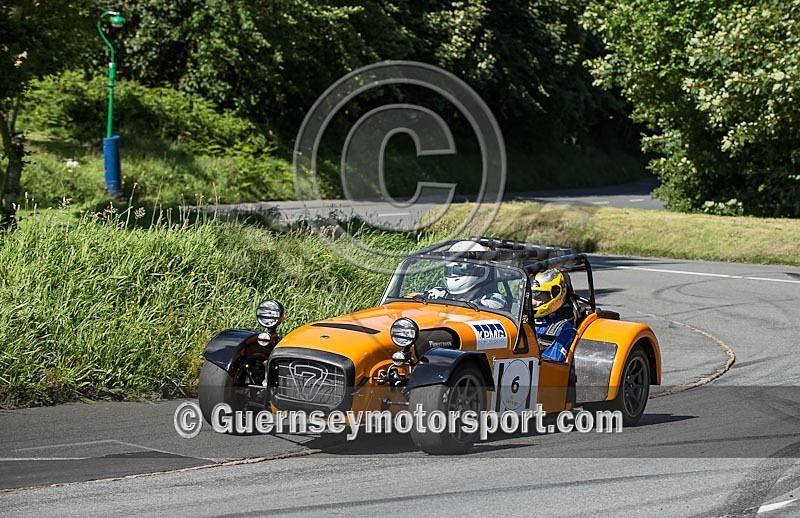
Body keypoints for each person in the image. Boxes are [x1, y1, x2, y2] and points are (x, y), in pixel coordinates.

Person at [424, 241, 507, 310]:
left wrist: (467, 305)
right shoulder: (440, 293)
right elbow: (418, 300)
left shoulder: (494, 299)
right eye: (449, 270)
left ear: (480, 271)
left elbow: (487, 307)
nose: (452, 275)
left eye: (458, 270)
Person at [531, 268, 576, 362]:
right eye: (531, 295)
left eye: (539, 296)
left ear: (555, 294)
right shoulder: (520, 319)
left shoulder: (564, 329)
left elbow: (551, 366)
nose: (533, 302)